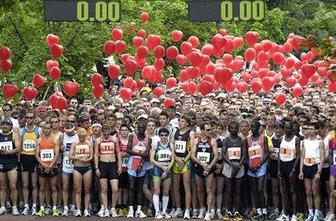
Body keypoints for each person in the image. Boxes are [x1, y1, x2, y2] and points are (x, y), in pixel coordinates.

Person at [191, 121, 218, 221]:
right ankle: (202, 208)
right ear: (202, 130)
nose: (210, 131)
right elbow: (192, 155)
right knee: (200, 189)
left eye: (210, 129)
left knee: (209, 190)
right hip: (199, 166)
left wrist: (209, 167)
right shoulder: (196, 140)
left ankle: (209, 212)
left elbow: (216, 156)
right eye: (207, 130)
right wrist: (202, 164)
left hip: (209, 168)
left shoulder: (212, 140)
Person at [126, 118, 152, 218]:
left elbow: (146, 154)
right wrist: (138, 153)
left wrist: (141, 165)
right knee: (132, 187)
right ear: (137, 127)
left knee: (140, 189)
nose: (141, 129)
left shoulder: (148, 139)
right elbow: (128, 149)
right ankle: (131, 210)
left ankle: (139, 210)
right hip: (132, 164)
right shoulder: (132, 137)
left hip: (142, 165)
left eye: (143, 127)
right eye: (139, 127)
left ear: (145, 128)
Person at [299, 122, 324, 221]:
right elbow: (302, 156)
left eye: (312, 128)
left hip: (315, 167)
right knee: (308, 192)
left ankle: (317, 213)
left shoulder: (320, 141)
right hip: (306, 166)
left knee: (315, 191)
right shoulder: (304, 141)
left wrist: (319, 171)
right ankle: (310, 213)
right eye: (308, 128)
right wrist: (301, 171)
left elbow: (322, 157)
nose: (309, 130)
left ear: (316, 130)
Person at [95, 125, 122, 217]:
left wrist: (119, 166)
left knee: (115, 189)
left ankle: (113, 208)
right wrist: (96, 168)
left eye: (108, 134)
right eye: (104, 134)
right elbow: (95, 154)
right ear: (102, 133)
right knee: (104, 189)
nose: (106, 136)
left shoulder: (114, 140)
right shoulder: (98, 141)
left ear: (110, 132)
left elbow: (118, 152)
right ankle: (105, 209)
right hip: (103, 164)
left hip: (113, 164)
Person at [222, 121, 246, 221]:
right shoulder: (226, 140)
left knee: (237, 190)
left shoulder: (241, 140)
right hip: (228, 166)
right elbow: (223, 154)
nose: (234, 130)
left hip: (239, 167)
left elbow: (244, 154)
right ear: (229, 129)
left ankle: (236, 212)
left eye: (236, 128)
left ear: (238, 129)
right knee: (228, 190)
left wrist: (239, 165)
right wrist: (232, 164)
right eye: (232, 128)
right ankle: (228, 211)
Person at [35, 121, 60, 216]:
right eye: (45, 128)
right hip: (42, 166)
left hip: (52, 167)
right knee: (42, 188)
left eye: (48, 128)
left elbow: (56, 154)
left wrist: (50, 166)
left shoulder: (55, 139)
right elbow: (36, 155)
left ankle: (54, 208)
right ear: (43, 129)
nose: (46, 130)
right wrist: (44, 165)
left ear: (51, 129)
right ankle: (41, 208)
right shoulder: (39, 140)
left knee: (53, 187)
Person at [172, 115, 195, 219]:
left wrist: (184, 160)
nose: (180, 123)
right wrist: (176, 158)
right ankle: (178, 209)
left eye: (183, 121)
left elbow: (191, 149)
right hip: (176, 161)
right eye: (179, 121)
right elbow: (172, 147)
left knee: (186, 186)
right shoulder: (175, 132)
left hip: (186, 162)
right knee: (176, 186)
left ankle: (187, 210)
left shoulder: (191, 133)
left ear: (187, 123)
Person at [277, 121, 300, 221]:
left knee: (293, 190)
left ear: (292, 129)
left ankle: (294, 214)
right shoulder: (282, 138)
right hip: (282, 164)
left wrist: (294, 169)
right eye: (286, 128)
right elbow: (279, 155)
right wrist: (278, 169)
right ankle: (285, 213)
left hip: (291, 164)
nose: (287, 130)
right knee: (284, 190)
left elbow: (298, 155)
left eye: (289, 128)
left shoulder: (296, 139)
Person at [246, 119, 269, 220]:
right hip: (251, 167)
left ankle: (264, 211)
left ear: (259, 127)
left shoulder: (263, 138)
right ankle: (258, 210)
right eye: (251, 126)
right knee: (254, 190)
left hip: (261, 166)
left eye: (255, 126)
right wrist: (249, 166)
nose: (253, 128)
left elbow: (267, 153)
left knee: (260, 190)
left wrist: (259, 164)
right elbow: (245, 155)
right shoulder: (247, 139)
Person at [150, 127, 175, 219]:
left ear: (168, 136)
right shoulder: (155, 145)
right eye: (162, 135)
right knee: (157, 190)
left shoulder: (171, 145)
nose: (164, 137)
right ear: (159, 135)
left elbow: (173, 159)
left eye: (165, 135)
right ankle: (157, 211)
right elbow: (151, 159)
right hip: (158, 168)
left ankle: (164, 211)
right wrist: (161, 166)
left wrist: (168, 168)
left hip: (167, 168)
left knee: (166, 191)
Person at [69, 128, 94, 217]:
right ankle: (78, 209)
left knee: (87, 190)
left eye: (83, 135)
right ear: (78, 135)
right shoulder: (75, 143)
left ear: (85, 135)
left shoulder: (89, 143)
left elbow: (91, 156)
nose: (82, 137)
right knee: (78, 190)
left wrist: (88, 159)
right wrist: (78, 158)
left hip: (87, 167)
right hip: (77, 167)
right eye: (80, 135)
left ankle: (86, 209)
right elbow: (70, 156)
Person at [19, 111, 40, 215]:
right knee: (25, 184)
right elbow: (19, 146)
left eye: (31, 118)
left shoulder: (38, 130)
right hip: (24, 158)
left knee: (34, 184)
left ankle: (34, 206)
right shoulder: (21, 131)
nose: (29, 119)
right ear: (25, 119)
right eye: (27, 118)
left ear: (34, 118)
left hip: (34, 158)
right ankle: (27, 206)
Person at [0, 119, 21, 215]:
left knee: (13, 186)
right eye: (3, 124)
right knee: (2, 186)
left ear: (11, 126)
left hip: (12, 163)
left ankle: (14, 207)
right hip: (1, 163)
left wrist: (7, 152)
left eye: (7, 124)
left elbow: (18, 148)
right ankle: (3, 206)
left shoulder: (14, 134)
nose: (5, 126)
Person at [59, 121, 78, 216]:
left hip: (76, 163)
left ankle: (73, 206)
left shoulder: (78, 136)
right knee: (65, 186)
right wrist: (61, 148)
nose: (68, 133)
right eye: (67, 131)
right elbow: (59, 148)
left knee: (75, 187)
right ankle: (66, 207)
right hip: (66, 163)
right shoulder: (62, 135)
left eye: (70, 131)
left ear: (74, 128)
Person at [268, 121, 284, 220]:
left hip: (282, 167)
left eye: (280, 130)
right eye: (276, 129)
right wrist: (268, 170)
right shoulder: (270, 140)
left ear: (283, 131)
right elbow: (268, 156)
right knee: (274, 189)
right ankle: (276, 209)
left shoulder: (285, 140)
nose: (278, 132)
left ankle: (284, 209)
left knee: (283, 190)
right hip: (273, 167)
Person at [118, 124, 131, 216]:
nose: (124, 132)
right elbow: (114, 153)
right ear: (120, 131)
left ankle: (125, 206)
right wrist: (120, 154)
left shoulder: (131, 141)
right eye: (122, 130)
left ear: (128, 132)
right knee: (119, 188)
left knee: (126, 188)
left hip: (129, 168)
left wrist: (128, 154)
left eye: (126, 130)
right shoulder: (117, 141)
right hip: (119, 168)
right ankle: (119, 207)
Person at [325, 116, 336, 221]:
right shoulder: (331, 136)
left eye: (333, 121)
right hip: (334, 168)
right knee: (332, 191)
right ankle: (332, 213)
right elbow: (329, 152)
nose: (330, 123)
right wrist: (330, 163)